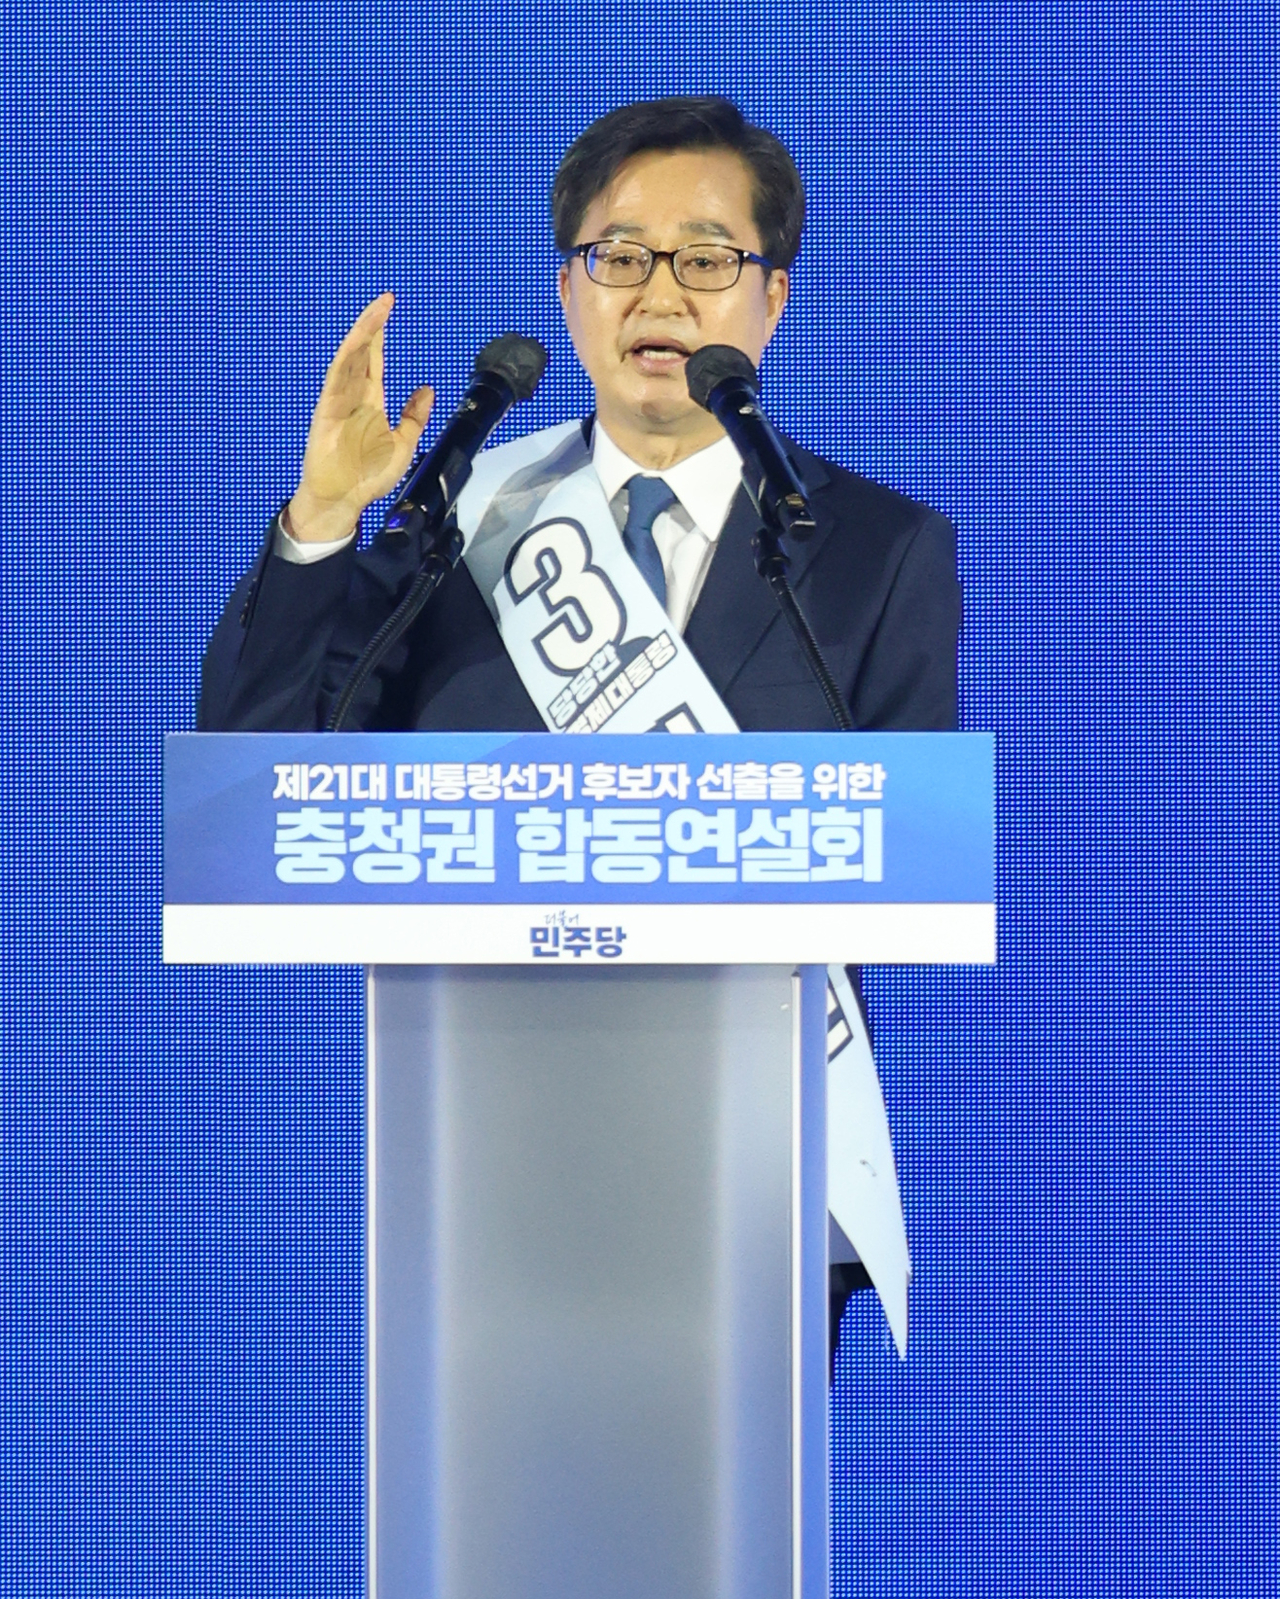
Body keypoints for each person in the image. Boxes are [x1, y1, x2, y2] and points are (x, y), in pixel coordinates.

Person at [199, 95, 961, 1364]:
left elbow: (910, 863)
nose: (659, 292)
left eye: (708, 258)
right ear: (568, 293)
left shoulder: (877, 552)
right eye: (620, 256)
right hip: (485, 1167)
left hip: (753, 1171)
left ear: (773, 298)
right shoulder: (454, 530)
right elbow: (251, 780)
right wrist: (325, 517)